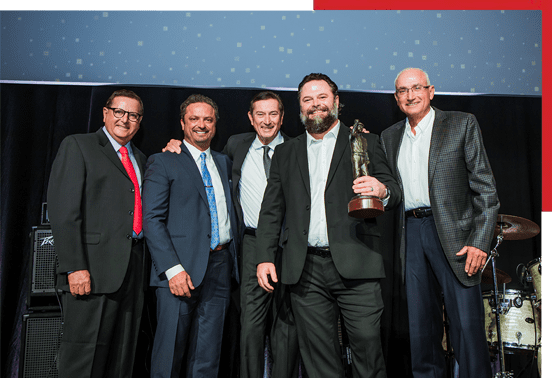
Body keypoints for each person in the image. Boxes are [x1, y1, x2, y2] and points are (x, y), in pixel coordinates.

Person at [255, 73, 400, 378]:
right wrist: (265, 257)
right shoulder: (286, 152)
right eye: (307, 99)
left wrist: (382, 191)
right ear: (299, 107)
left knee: (368, 349)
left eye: (322, 97)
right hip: (305, 269)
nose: (315, 105)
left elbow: (394, 192)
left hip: (357, 263)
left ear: (336, 102)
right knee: (319, 360)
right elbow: (271, 211)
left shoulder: (367, 142)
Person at [163, 91, 301, 378]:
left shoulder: (298, 149)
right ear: (250, 118)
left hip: (290, 246)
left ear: (282, 117)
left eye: (273, 114)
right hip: (250, 245)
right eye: (260, 114)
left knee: (286, 326)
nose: (267, 120)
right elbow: (202, 160)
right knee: (250, 327)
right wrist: (177, 145)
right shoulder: (236, 146)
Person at [380, 67, 499, 378]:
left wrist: (480, 241)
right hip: (412, 233)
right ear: (396, 98)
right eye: (403, 91)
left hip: (457, 236)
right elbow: (392, 190)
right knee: (422, 332)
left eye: (416, 88)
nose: (410, 95)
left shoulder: (461, 124)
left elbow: (486, 189)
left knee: (468, 332)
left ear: (431, 91)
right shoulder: (390, 137)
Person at [47, 89, 147, 378]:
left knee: (122, 360)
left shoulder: (140, 157)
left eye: (133, 115)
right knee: (83, 361)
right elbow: (64, 212)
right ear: (105, 113)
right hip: (91, 272)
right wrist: (75, 266)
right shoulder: (79, 146)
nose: (125, 120)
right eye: (119, 112)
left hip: (131, 273)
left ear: (139, 122)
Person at [143, 94, 240, 378]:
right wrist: (172, 270)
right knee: (169, 353)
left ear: (215, 124)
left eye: (208, 119)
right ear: (183, 123)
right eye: (194, 119)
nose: (201, 125)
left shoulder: (223, 162)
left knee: (207, 357)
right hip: (179, 271)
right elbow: (152, 220)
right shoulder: (163, 161)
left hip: (220, 268)